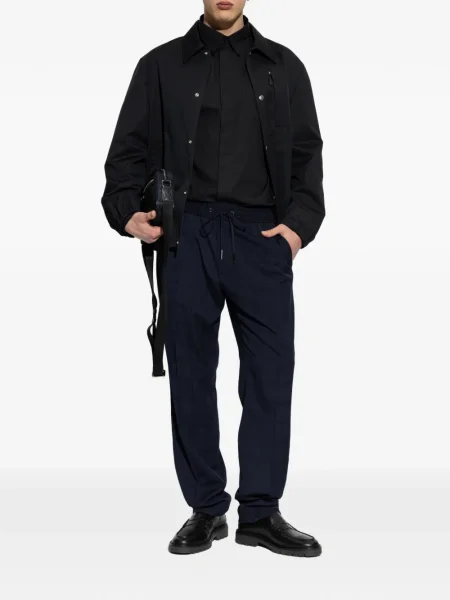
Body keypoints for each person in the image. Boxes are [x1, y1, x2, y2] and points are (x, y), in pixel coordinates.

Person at [101, 0, 325, 558]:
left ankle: (261, 513)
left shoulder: (284, 66)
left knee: (270, 377)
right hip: (186, 234)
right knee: (191, 375)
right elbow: (126, 153)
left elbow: (307, 155)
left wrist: (296, 229)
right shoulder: (159, 66)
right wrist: (127, 213)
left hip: (261, 237)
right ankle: (206, 508)